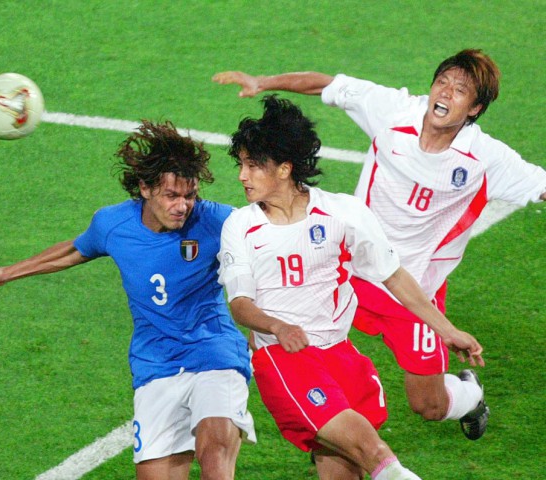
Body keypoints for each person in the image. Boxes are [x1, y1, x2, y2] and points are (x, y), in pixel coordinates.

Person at [212, 49, 546, 441]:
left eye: (460, 90)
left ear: (474, 108)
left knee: (430, 405)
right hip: (349, 269)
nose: (445, 93)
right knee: (278, 319)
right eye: (443, 82)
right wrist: (263, 82)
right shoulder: (393, 111)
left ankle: (469, 394)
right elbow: (327, 84)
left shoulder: (487, 159)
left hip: (412, 286)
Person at [0, 120, 256, 480]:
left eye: (190, 195)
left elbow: (271, 246)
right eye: (172, 196)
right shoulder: (113, 224)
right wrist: (6, 272)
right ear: (145, 189)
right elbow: (74, 250)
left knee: (213, 449)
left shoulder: (220, 221)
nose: (183, 206)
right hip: (155, 363)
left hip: (215, 352)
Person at [217, 95, 484, 480]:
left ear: (284, 169)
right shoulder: (240, 226)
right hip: (284, 357)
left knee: (344, 470)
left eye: (253, 165)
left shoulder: (344, 213)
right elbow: (240, 304)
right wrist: (277, 327)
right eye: (241, 164)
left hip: (340, 357)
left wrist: (447, 330)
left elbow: (394, 277)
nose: (242, 175)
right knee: (376, 454)